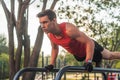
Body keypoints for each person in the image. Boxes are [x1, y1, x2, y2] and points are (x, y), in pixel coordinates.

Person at [37, 9, 120, 72]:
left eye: (45, 22)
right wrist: (51, 64)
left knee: (109, 56)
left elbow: (89, 42)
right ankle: (97, 59)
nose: (42, 26)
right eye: (41, 23)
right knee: (84, 58)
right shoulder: (49, 34)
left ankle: (96, 58)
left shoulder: (68, 29)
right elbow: (54, 48)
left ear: (54, 20)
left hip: (90, 48)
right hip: (79, 55)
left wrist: (88, 61)